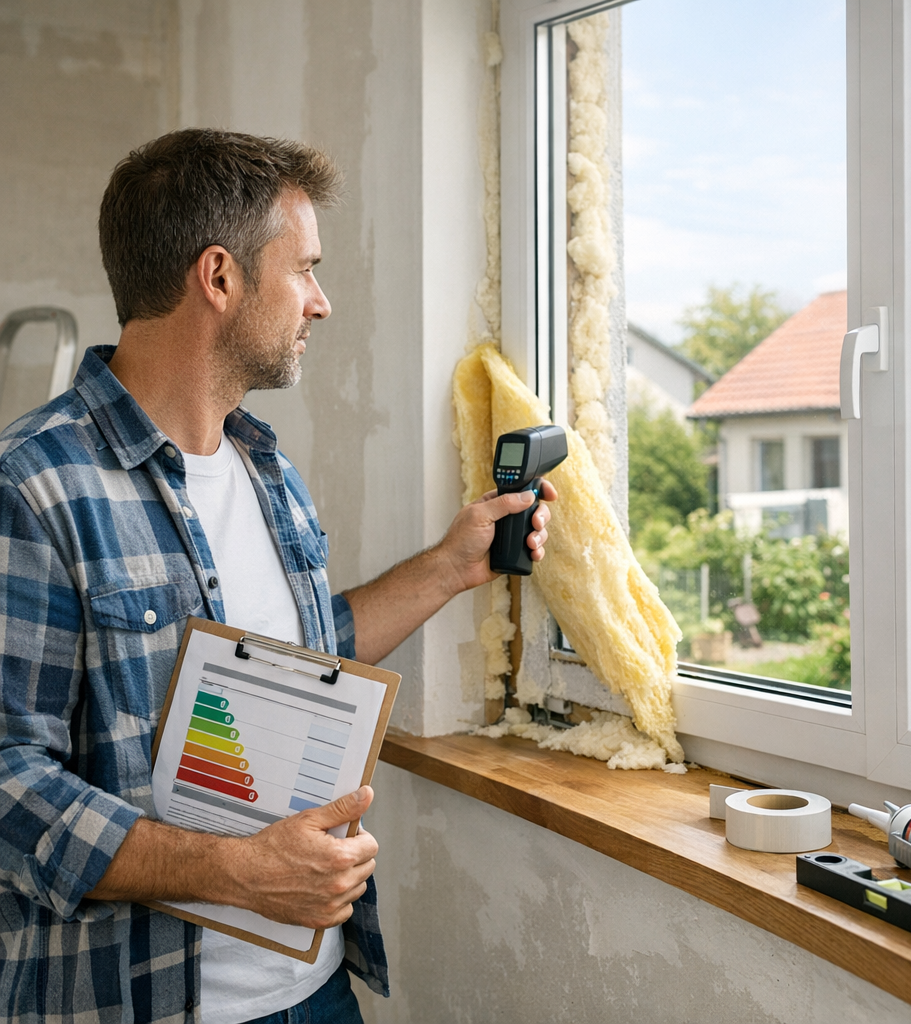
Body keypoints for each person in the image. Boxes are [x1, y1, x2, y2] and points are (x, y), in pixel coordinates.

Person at [0, 129, 555, 1024]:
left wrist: (452, 567)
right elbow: (8, 778)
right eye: (304, 269)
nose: (321, 303)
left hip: (318, 991)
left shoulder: (265, 467)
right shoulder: (32, 485)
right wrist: (236, 872)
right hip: (136, 1004)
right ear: (218, 278)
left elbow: (298, 660)